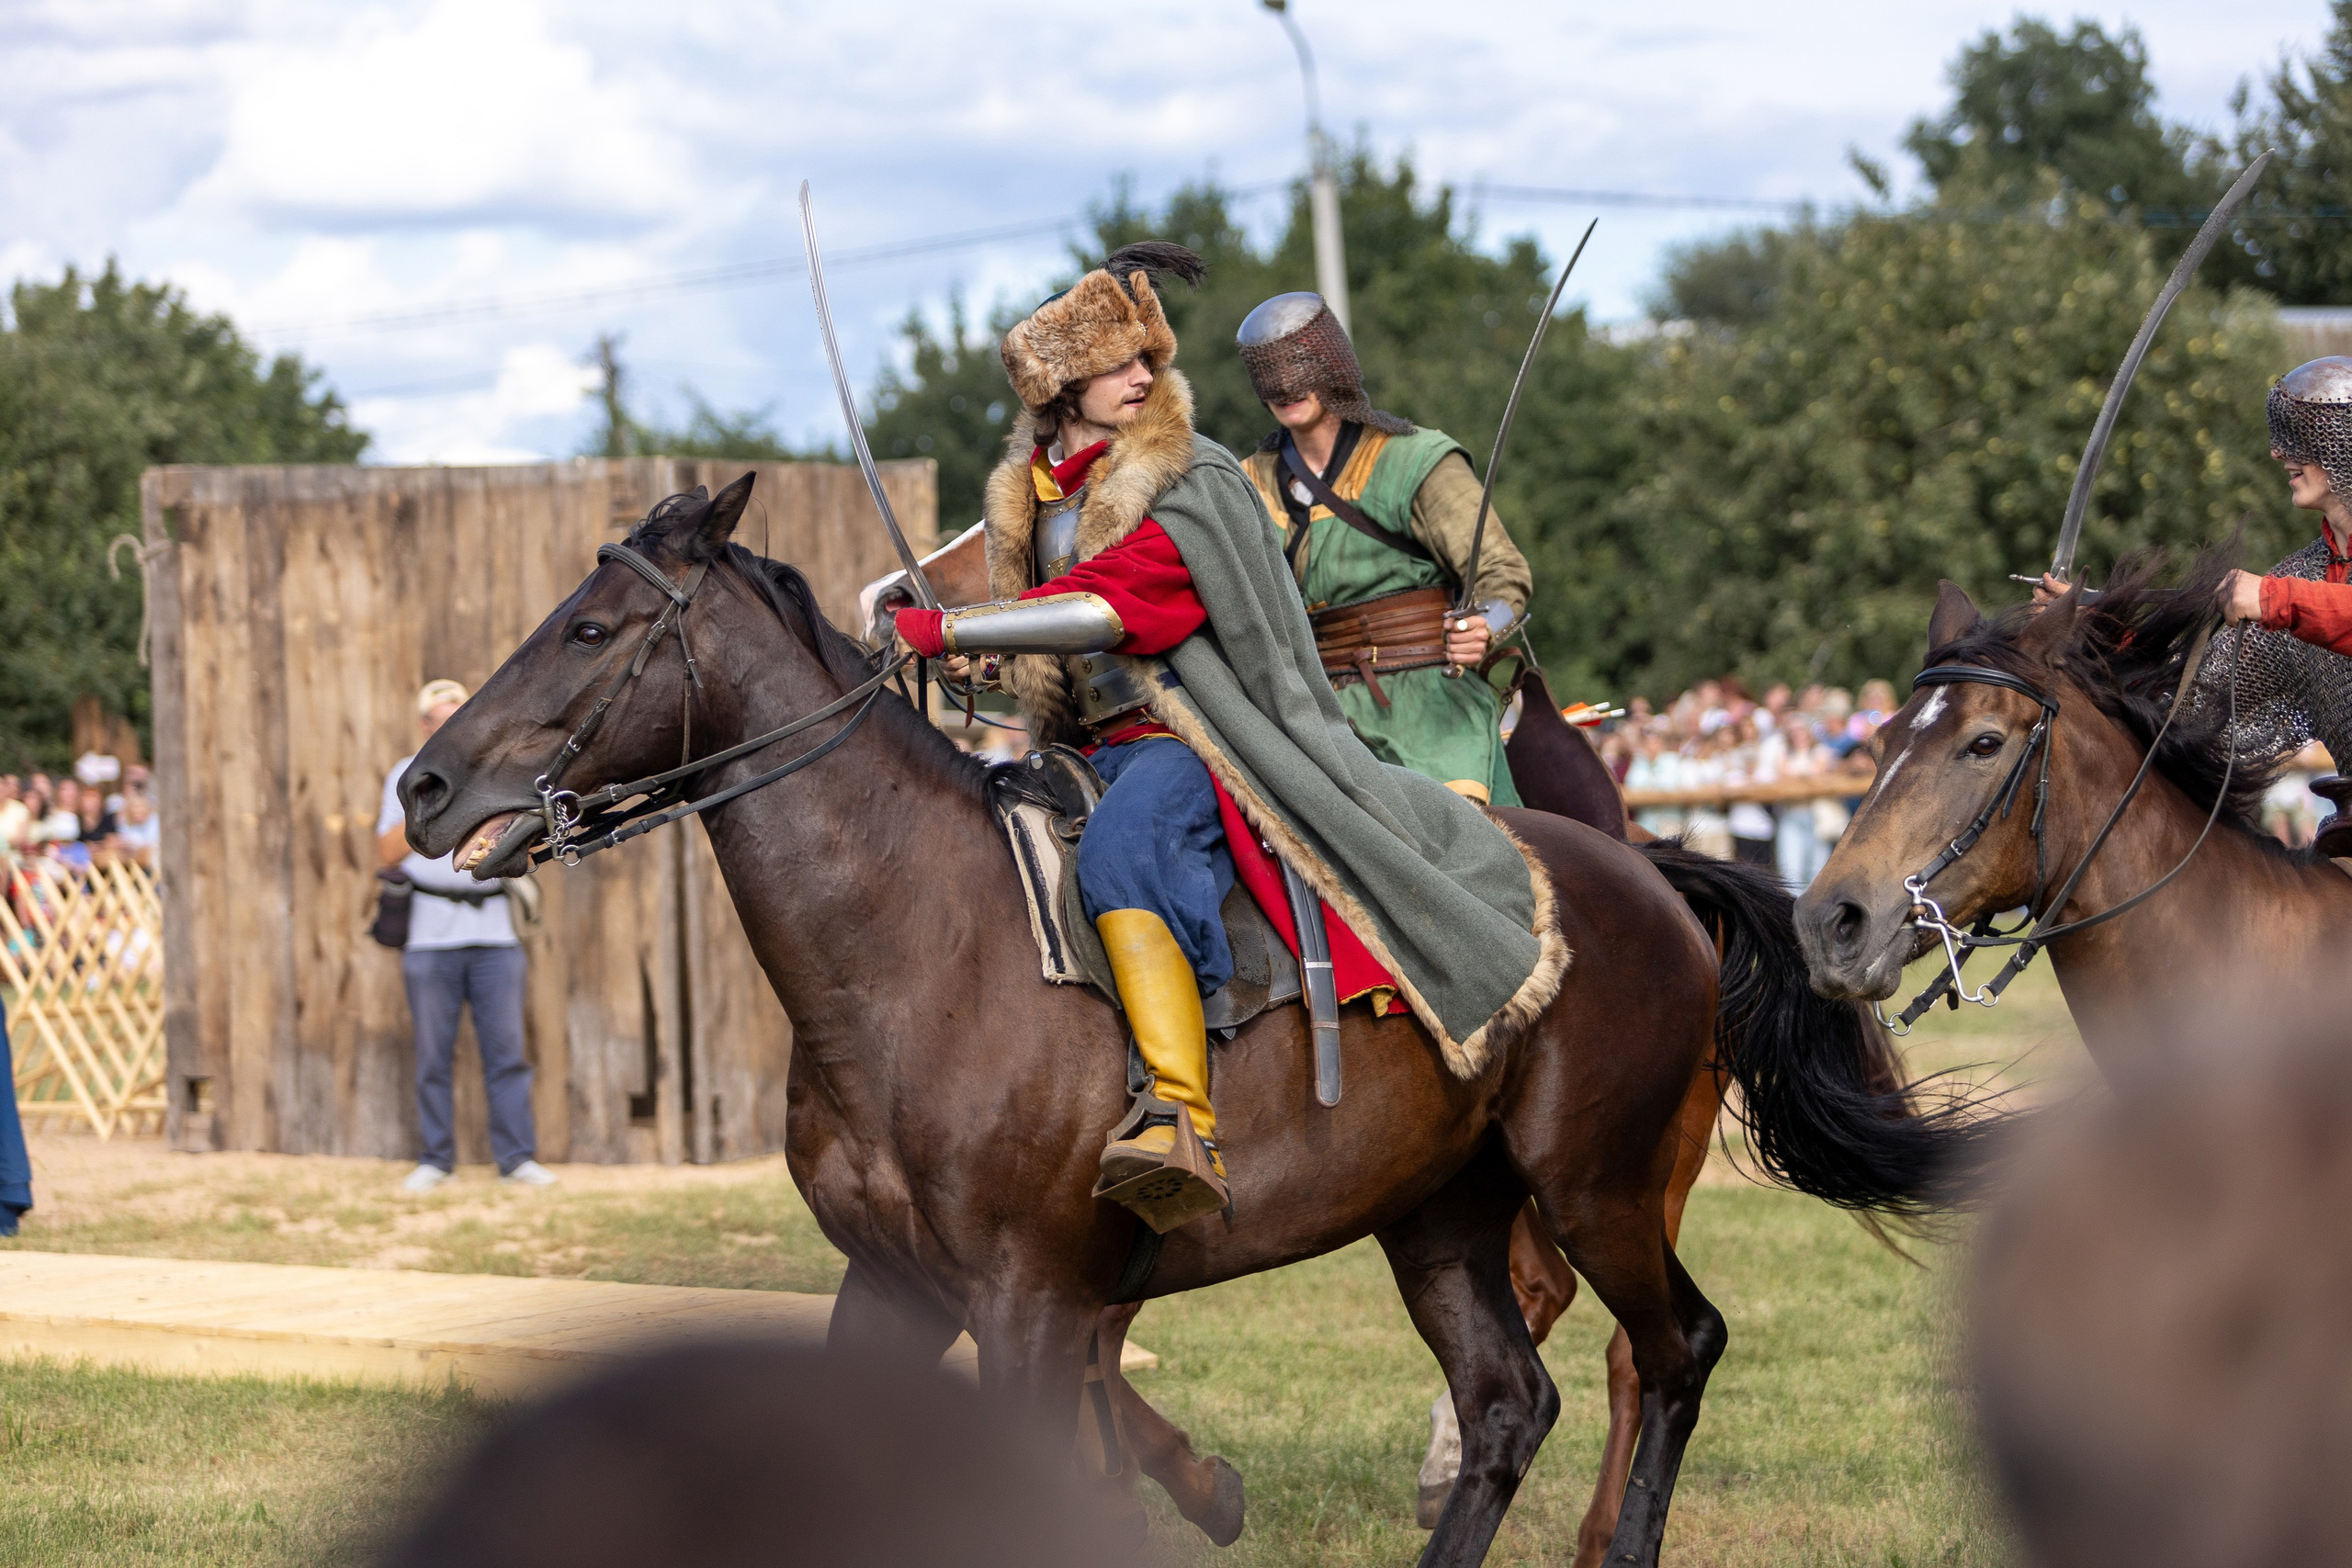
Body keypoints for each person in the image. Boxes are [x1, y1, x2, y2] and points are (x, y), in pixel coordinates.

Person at [891, 244, 1563, 1235]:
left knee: (1126, 849)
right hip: (1080, 745)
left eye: (1146, 361)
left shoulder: (1185, 475)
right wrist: (978, 659)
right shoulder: (1034, 496)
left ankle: (1180, 1119)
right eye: (1122, 364)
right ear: (1062, 385)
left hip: (1195, 736)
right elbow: (1043, 627)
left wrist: (949, 626)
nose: (1145, 377)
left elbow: (1112, 610)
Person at [1230, 292, 1534, 807]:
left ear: (1332, 362)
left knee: (1459, 849)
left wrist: (1485, 623)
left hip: (1428, 700)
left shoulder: (1416, 459)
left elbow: (1503, 572)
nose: (1284, 387)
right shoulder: (1244, 483)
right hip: (1314, 711)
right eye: (1268, 374)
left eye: (1299, 365)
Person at [378, 679, 555, 1193]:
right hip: (430, 936)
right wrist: (428, 806)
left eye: (462, 714)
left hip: (496, 933)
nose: (452, 725)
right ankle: (436, 1159)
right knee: (434, 1055)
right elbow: (386, 853)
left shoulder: (497, 770)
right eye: (442, 717)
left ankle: (517, 1159)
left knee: (507, 1052)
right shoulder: (406, 775)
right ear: (424, 727)